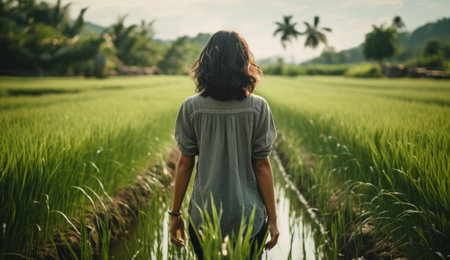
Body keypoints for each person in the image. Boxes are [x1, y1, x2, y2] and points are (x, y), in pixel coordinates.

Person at [169, 30, 279, 259]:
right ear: (244, 63)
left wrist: (175, 213)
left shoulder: (191, 107)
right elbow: (262, 166)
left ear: (206, 63)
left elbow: (185, 164)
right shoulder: (259, 107)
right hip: (249, 218)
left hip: (204, 217)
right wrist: (273, 219)